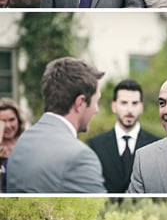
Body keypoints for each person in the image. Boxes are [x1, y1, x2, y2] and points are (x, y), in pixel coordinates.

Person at [7, 57, 106, 194]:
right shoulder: (80, 157)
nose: (96, 109)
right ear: (80, 102)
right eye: (96, 101)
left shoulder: (23, 140)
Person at [87, 79, 159, 194]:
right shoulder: (96, 145)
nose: (129, 110)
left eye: (134, 103)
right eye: (124, 103)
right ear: (114, 106)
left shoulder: (156, 145)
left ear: (141, 107)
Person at [0, 100, 25, 193]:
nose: (8, 125)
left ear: (18, 120)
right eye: (2, 121)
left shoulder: (26, 144)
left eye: (11, 120)